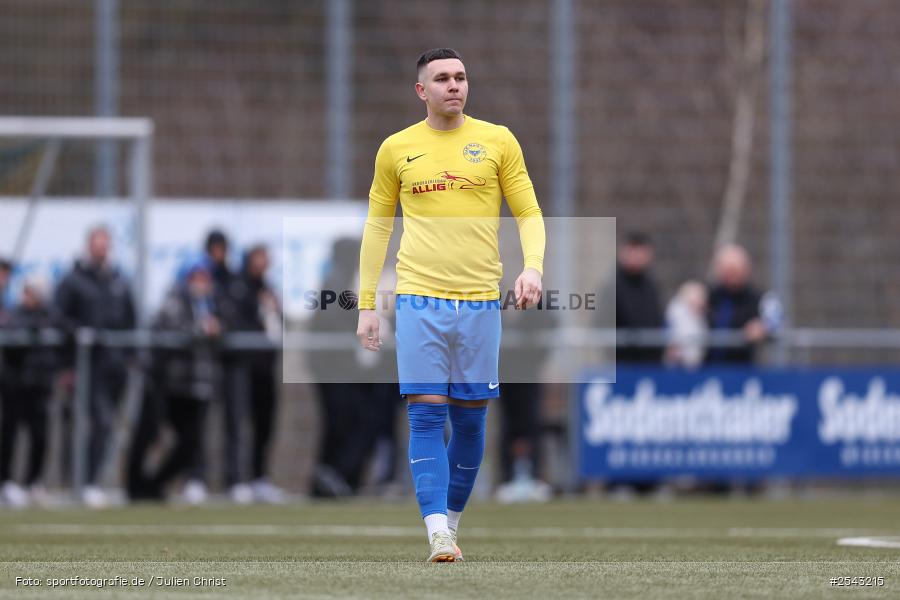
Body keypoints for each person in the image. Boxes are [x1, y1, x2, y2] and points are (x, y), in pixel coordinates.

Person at [356, 48, 545, 562]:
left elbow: (527, 209)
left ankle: (452, 524)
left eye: (460, 77)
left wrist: (533, 267)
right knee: (424, 417)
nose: (454, 85)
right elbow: (377, 227)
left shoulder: (498, 140)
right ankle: (436, 530)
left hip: (482, 300)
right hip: (419, 299)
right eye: (441, 78)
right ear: (422, 90)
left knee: (470, 422)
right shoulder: (396, 149)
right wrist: (367, 303)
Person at [127, 260, 222, 504]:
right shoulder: (174, 301)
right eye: (196, 277)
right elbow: (171, 329)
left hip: (196, 385)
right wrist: (201, 330)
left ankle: (154, 484)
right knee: (149, 433)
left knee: (190, 443)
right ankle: (134, 485)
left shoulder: (211, 304)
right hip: (167, 383)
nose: (202, 283)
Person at [55, 226, 136, 508]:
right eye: (97, 243)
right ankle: (83, 481)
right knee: (93, 423)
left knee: (108, 426)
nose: (102, 249)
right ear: (88, 245)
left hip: (114, 367)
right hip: (86, 367)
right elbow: (58, 316)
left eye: (106, 244)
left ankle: (92, 481)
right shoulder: (73, 280)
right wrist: (78, 334)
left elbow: (131, 319)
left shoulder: (118, 280)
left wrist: (130, 356)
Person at [222, 244, 285, 503]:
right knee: (238, 422)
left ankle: (260, 477)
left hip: (265, 366)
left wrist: (272, 309)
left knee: (265, 423)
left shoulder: (267, 288)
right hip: (241, 366)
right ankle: (237, 479)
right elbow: (235, 322)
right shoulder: (237, 287)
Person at [0, 276, 59, 507]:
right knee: (10, 435)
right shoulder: (16, 314)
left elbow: (65, 325)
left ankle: (33, 482)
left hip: (40, 385)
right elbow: (13, 331)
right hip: (16, 384)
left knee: (40, 435)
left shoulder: (49, 315)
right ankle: (6, 482)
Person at [705, 244, 766, 364]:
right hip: (707, 368)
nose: (731, 277)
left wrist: (763, 327)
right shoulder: (708, 295)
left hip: (741, 368)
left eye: (735, 271)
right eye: (727, 271)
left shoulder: (756, 299)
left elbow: (776, 320)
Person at [612, 232, 664, 363]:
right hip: (622, 363)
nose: (636, 257)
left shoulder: (651, 286)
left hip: (650, 363)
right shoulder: (612, 287)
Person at [665, 280, 708, 368]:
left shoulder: (701, 317)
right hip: (678, 363)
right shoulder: (676, 313)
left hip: (695, 365)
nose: (700, 302)